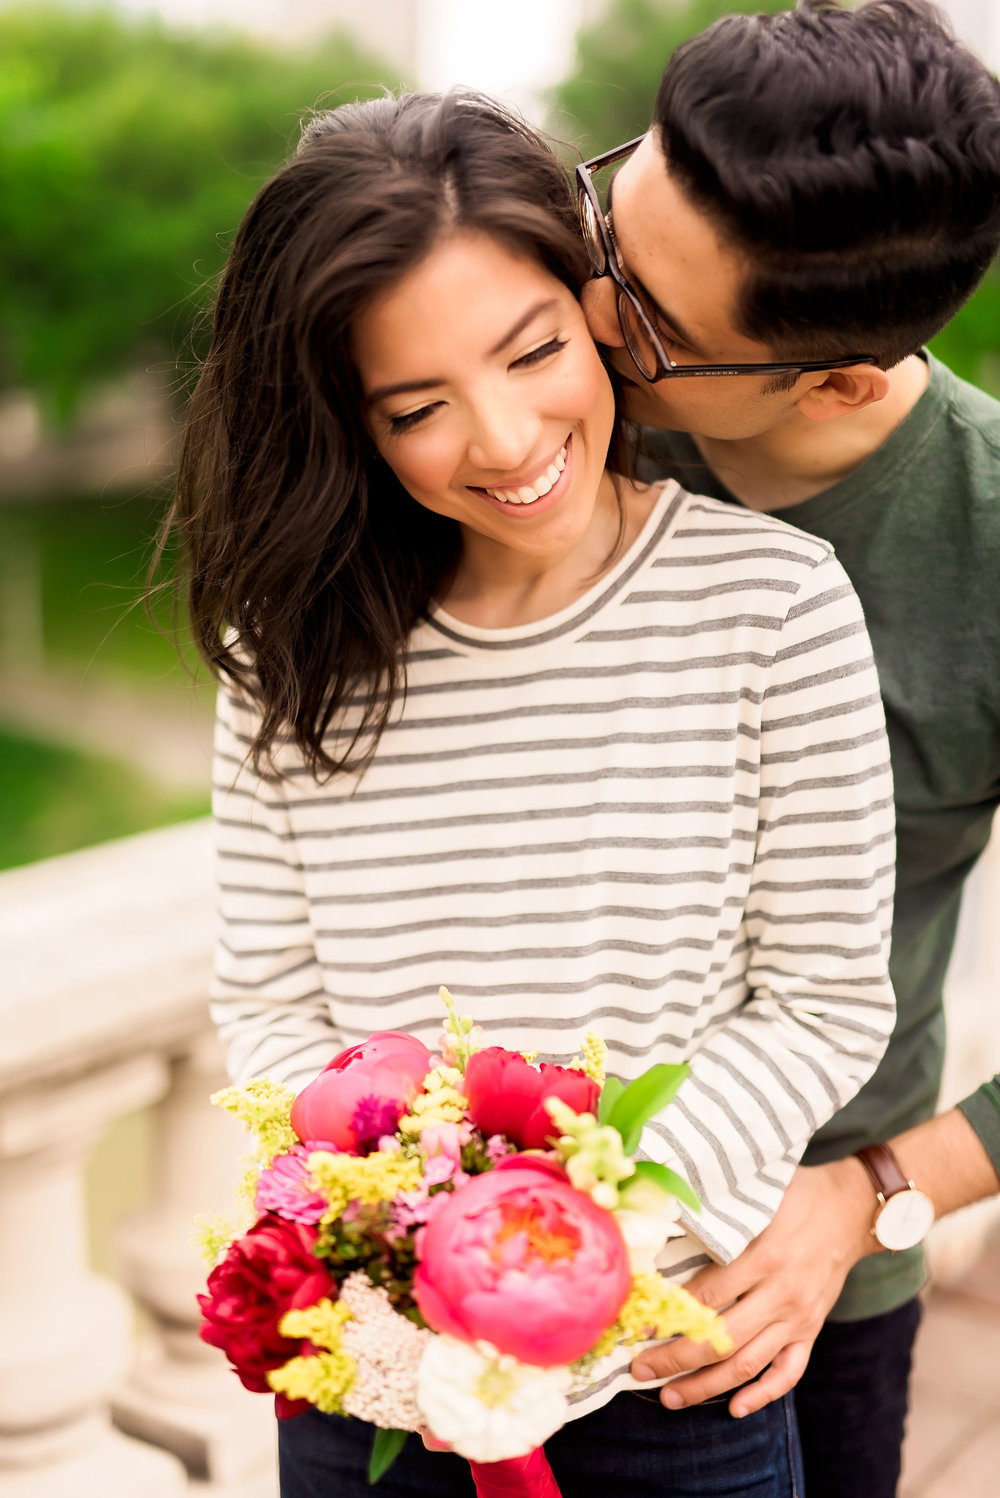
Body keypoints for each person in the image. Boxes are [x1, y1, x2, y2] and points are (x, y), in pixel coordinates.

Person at [173, 89, 897, 1498]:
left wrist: (570, 1233)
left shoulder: (773, 605)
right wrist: (414, 1265)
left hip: (668, 1375)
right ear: (346, 420)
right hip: (371, 1375)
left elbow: (820, 998)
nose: (503, 439)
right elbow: (270, 1005)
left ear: (598, 311)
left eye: (535, 351)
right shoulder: (288, 659)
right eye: (418, 406)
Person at [574, 1, 1000, 1494]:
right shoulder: (541, 425)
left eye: (646, 316)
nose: (581, 302)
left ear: (839, 378)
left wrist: (872, 1194)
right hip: (479, 1221)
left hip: (789, 1278)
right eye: (601, 211)